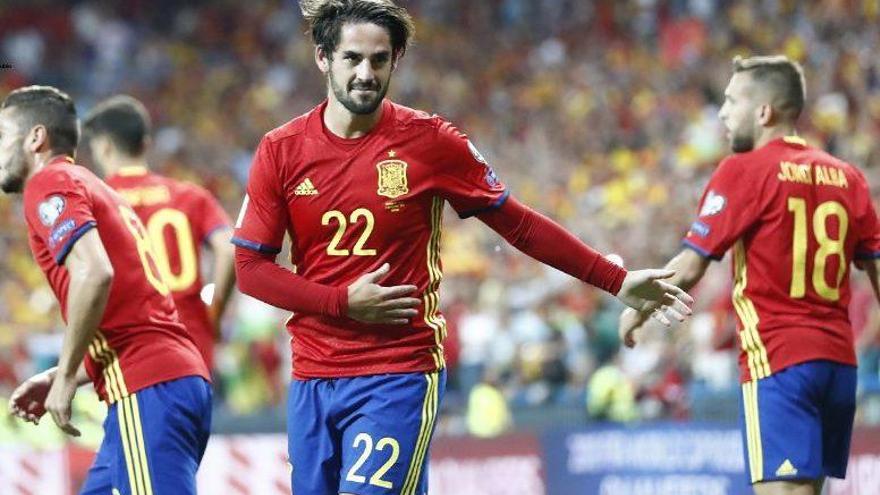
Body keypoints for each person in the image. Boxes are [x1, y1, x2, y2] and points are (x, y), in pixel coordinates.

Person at [232, 1, 693, 494]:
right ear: (323, 58)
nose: (366, 74)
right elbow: (249, 268)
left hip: (397, 370)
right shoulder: (280, 149)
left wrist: (615, 279)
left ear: (397, 59)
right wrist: (342, 303)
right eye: (352, 59)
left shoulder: (429, 141)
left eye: (379, 60)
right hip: (312, 376)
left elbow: (520, 226)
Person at [619, 55, 880, 495]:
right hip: (838, 364)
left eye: (731, 101)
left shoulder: (744, 170)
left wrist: (638, 309)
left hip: (779, 360)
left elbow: (691, 264)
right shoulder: (848, 177)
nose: (722, 112)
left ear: (764, 112)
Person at [2, 85, 211, 494]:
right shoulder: (94, 186)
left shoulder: (49, 181)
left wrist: (64, 376)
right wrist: (65, 373)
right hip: (162, 379)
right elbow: (129, 314)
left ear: (35, 138)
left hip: (148, 386)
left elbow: (95, 274)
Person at [83, 95, 236, 371]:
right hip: (193, 344)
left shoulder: (94, 202)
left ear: (104, 147)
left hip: (134, 350)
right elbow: (228, 249)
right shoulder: (190, 195)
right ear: (146, 144)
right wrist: (212, 309)